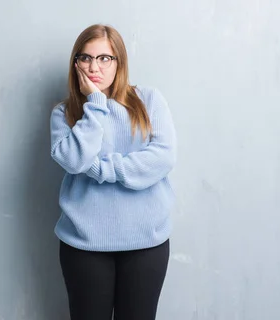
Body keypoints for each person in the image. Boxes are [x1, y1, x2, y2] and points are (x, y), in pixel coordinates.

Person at [49, 23, 177, 320]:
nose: (95, 66)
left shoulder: (149, 100)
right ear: (76, 63)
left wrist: (101, 168)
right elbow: (73, 160)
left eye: (105, 58)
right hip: (84, 244)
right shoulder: (64, 113)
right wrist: (94, 103)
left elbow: (162, 158)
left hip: (146, 242)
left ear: (119, 62)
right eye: (86, 58)